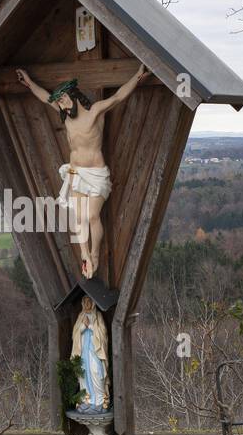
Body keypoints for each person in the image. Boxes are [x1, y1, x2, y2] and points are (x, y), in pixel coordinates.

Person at [14, 62, 147, 279]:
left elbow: (119, 97)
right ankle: (84, 254)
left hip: (95, 173)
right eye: (59, 101)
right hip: (75, 172)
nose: (62, 104)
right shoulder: (65, 114)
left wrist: (137, 77)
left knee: (93, 216)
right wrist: (28, 82)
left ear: (74, 94)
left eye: (64, 98)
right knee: (78, 217)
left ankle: (94, 254)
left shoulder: (95, 112)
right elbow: (44, 96)